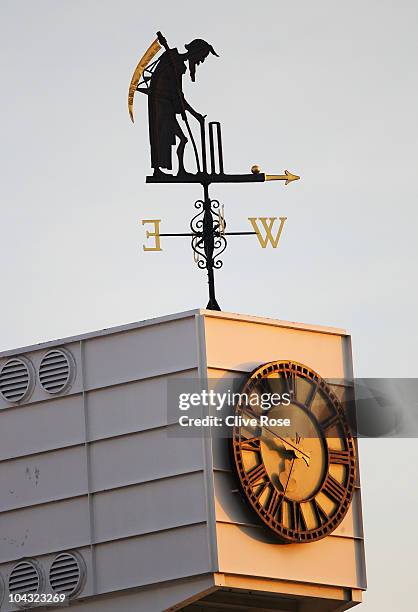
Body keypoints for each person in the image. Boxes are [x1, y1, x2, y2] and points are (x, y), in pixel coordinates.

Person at [147, 39, 218, 176]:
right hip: (161, 105)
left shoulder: (178, 64)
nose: (201, 61)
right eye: (202, 57)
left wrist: (194, 114)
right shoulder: (172, 59)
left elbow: (178, 96)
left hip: (167, 105)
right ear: (196, 52)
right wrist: (194, 114)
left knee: (182, 139)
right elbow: (176, 94)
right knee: (162, 136)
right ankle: (158, 170)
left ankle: (180, 171)